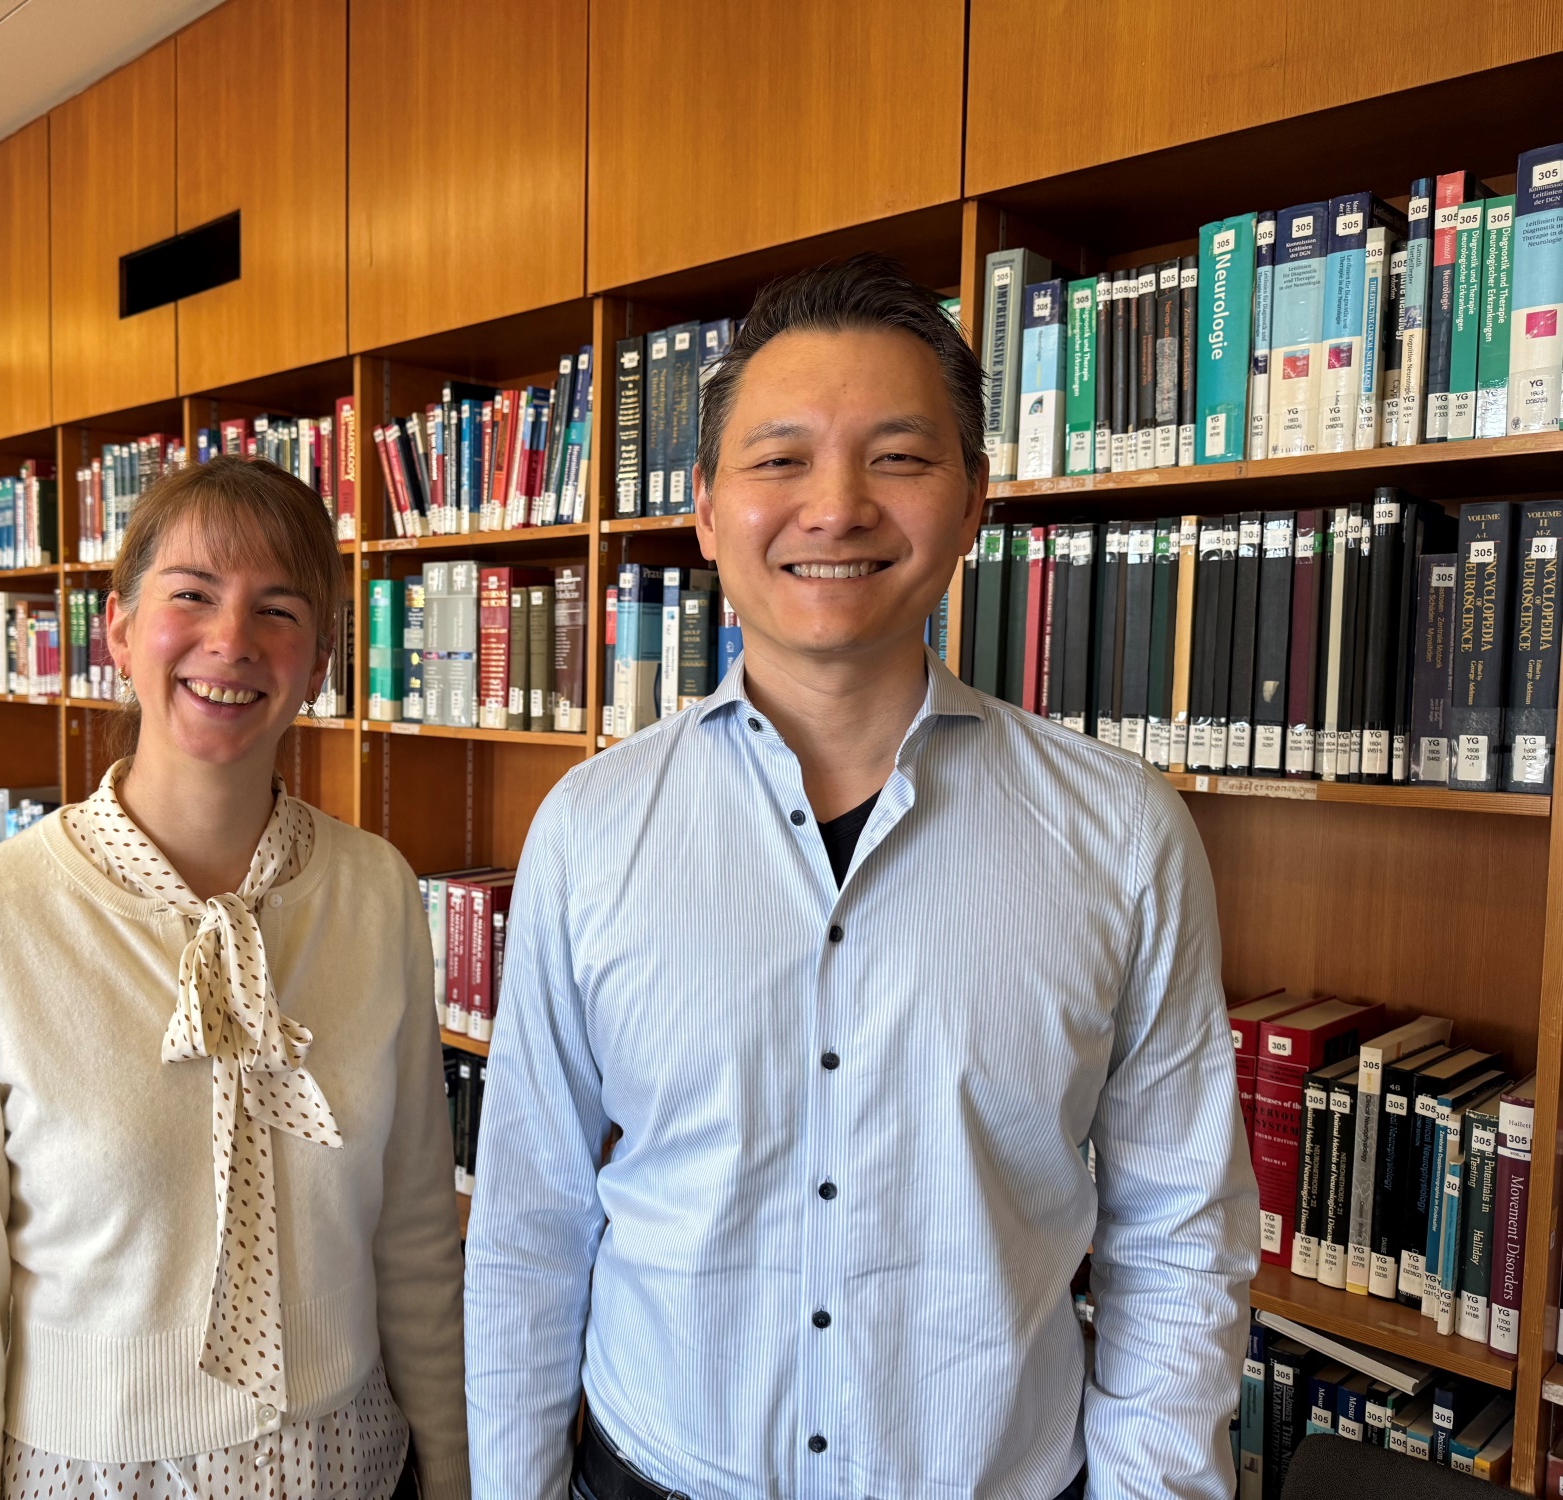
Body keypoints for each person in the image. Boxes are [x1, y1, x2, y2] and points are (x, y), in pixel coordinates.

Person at [464, 254, 1259, 1500]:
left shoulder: (1120, 834)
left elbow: (1176, 1235)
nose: (833, 508)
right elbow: (529, 1220)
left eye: (896, 456)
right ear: (704, 508)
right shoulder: (590, 830)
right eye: (778, 460)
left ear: (975, 500)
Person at [0, 457, 469, 1500]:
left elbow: (415, 1232)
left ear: (322, 662)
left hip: (351, 1464)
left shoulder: (377, 894)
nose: (230, 641)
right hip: (95, 1476)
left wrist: (462, 1472)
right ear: (118, 631)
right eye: (190, 594)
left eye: (277, 610)